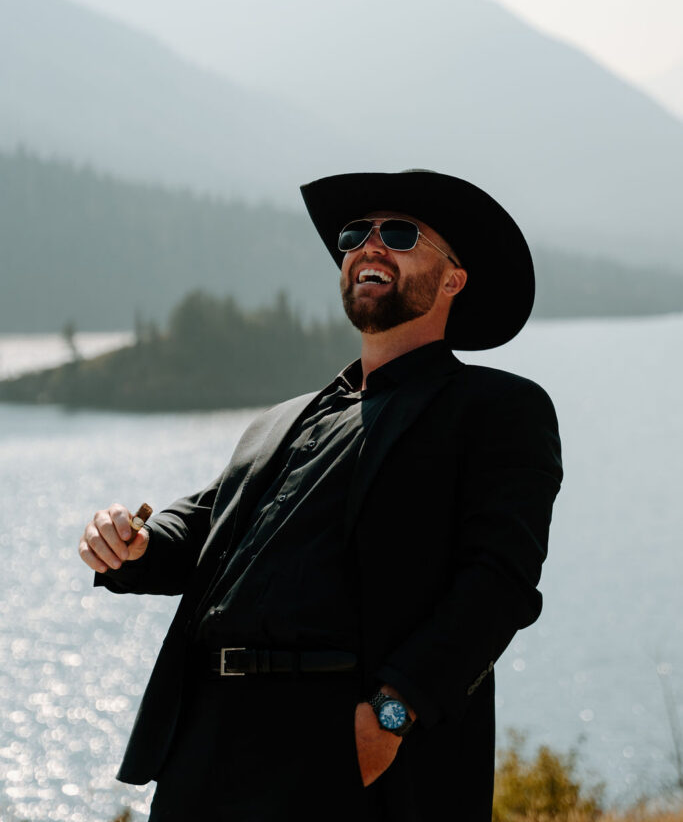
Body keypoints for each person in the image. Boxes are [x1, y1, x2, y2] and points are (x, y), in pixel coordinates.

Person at [79, 170, 563, 821]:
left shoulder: (494, 409)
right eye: (352, 235)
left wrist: (390, 716)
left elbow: (499, 581)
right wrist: (126, 541)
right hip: (205, 747)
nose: (369, 245)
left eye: (399, 234)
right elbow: (193, 529)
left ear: (452, 279)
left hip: (346, 748)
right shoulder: (280, 420)